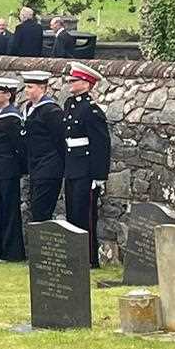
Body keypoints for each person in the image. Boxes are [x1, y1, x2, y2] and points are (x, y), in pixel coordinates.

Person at [62, 63, 112, 268]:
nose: (70, 84)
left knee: (86, 214)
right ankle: (75, 255)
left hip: (86, 169)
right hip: (72, 165)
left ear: (86, 83)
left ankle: (89, 258)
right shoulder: (70, 104)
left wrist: (98, 176)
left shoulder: (91, 110)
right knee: (72, 212)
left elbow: (101, 144)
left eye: (74, 81)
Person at [0, 76, 26, 261]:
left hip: (8, 169)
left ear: (8, 95)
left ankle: (12, 252)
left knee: (9, 209)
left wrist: (18, 166)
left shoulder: (12, 117)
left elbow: (19, 145)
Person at [20, 69, 66, 225]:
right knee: (35, 209)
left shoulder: (51, 111)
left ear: (42, 88)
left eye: (30, 87)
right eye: (26, 86)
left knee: (42, 211)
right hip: (35, 165)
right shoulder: (28, 108)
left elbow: (61, 140)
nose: (26, 90)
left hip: (49, 167)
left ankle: (43, 247)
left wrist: (56, 164)